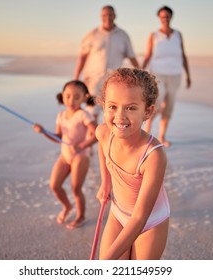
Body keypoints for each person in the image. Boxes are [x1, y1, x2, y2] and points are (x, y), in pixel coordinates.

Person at [95, 68, 170, 260]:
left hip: (148, 223)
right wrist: (106, 182)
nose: (120, 116)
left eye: (131, 108)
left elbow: (139, 218)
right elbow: (103, 151)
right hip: (118, 214)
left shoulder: (153, 156)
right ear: (103, 105)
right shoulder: (103, 133)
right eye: (113, 106)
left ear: (148, 111)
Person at [33, 80, 97, 229]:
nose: (71, 100)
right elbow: (58, 138)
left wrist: (81, 146)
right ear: (62, 97)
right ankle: (67, 206)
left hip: (80, 157)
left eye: (77, 97)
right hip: (65, 156)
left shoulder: (84, 115)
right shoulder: (61, 115)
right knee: (54, 185)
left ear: (84, 97)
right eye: (68, 96)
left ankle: (81, 216)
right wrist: (43, 132)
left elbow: (97, 134)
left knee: (76, 189)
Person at [142, 5, 191, 147]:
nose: (165, 19)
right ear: (159, 18)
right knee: (157, 103)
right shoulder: (154, 35)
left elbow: (183, 55)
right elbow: (148, 55)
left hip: (175, 75)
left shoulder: (178, 35)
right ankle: (146, 135)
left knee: (169, 106)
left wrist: (188, 75)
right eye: (162, 17)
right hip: (158, 75)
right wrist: (140, 71)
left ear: (171, 17)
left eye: (167, 16)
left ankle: (162, 137)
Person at [74, 5, 139, 99]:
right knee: (92, 110)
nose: (107, 18)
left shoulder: (123, 35)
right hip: (93, 79)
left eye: (110, 15)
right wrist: (76, 78)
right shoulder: (92, 34)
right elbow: (82, 57)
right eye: (104, 15)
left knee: (110, 110)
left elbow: (131, 56)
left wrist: (141, 75)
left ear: (115, 16)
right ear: (101, 17)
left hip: (114, 80)